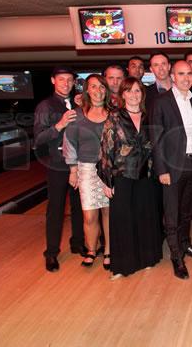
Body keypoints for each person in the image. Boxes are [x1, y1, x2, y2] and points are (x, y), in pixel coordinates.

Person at [99, 77, 163, 279]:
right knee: (123, 219)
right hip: (122, 175)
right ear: (123, 94)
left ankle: (146, 258)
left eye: (138, 91)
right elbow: (106, 149)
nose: (134, 95)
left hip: (146, 175)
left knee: (145, 217)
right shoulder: (115, 117)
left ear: (142, 94)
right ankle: (123, 265)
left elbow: (156, 147)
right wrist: (107, 180)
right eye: (130, 91)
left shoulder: (149, 116)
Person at [151, 60, 192, 280]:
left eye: (189, 74)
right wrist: (161, 170)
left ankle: (185, 245)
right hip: (172, 167)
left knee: (186, 212)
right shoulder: (162, 102)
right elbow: (156, 139)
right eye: (180, 73)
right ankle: (176, 257)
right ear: (173, 76)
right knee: (172, 215)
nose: (185, 78)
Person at [34, 66, 85, 272]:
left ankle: (78, 243)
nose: (66, 83)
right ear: (53, 81)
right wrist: (59, 125)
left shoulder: (78, 103)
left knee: (79, 207)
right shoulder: (45, 106)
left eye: (70, 80)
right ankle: (52, 253)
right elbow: (38, 140)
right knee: (55, 210)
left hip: (79, 163)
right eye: (62, 79)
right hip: (57, 165)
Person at [63, 74, 112, 268]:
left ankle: (109, 249)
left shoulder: (113, 113)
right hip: (86, 169)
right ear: (87, 90)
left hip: (109, 169)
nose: (98, 91)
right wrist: (73, 171)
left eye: (101, 87)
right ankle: (91, 249)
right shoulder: (77, 115)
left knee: (108, 212)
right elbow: (69, 144)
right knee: (89, 214)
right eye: (93, 87)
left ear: (105, 90)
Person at [144, 51, 172, 116]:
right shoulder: (146, 94)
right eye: (156, 65)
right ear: (151, 69)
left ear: (169, 66)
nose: (161, 68)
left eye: (163, 64)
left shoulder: (181, 88)